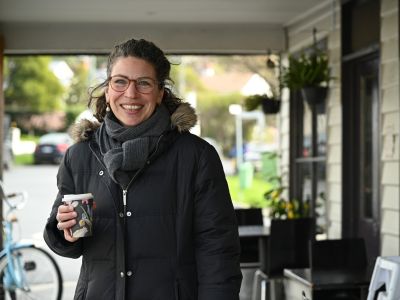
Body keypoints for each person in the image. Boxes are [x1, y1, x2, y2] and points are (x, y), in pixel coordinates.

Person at [43, 38, 242, 300]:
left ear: (160, 92)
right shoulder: (80, 156)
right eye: (120, 81)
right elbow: (69, 242)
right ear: (108, 88)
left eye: (144, 83)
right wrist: (64, 232)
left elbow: (218, 251)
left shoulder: (196, 156)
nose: (131, 94)